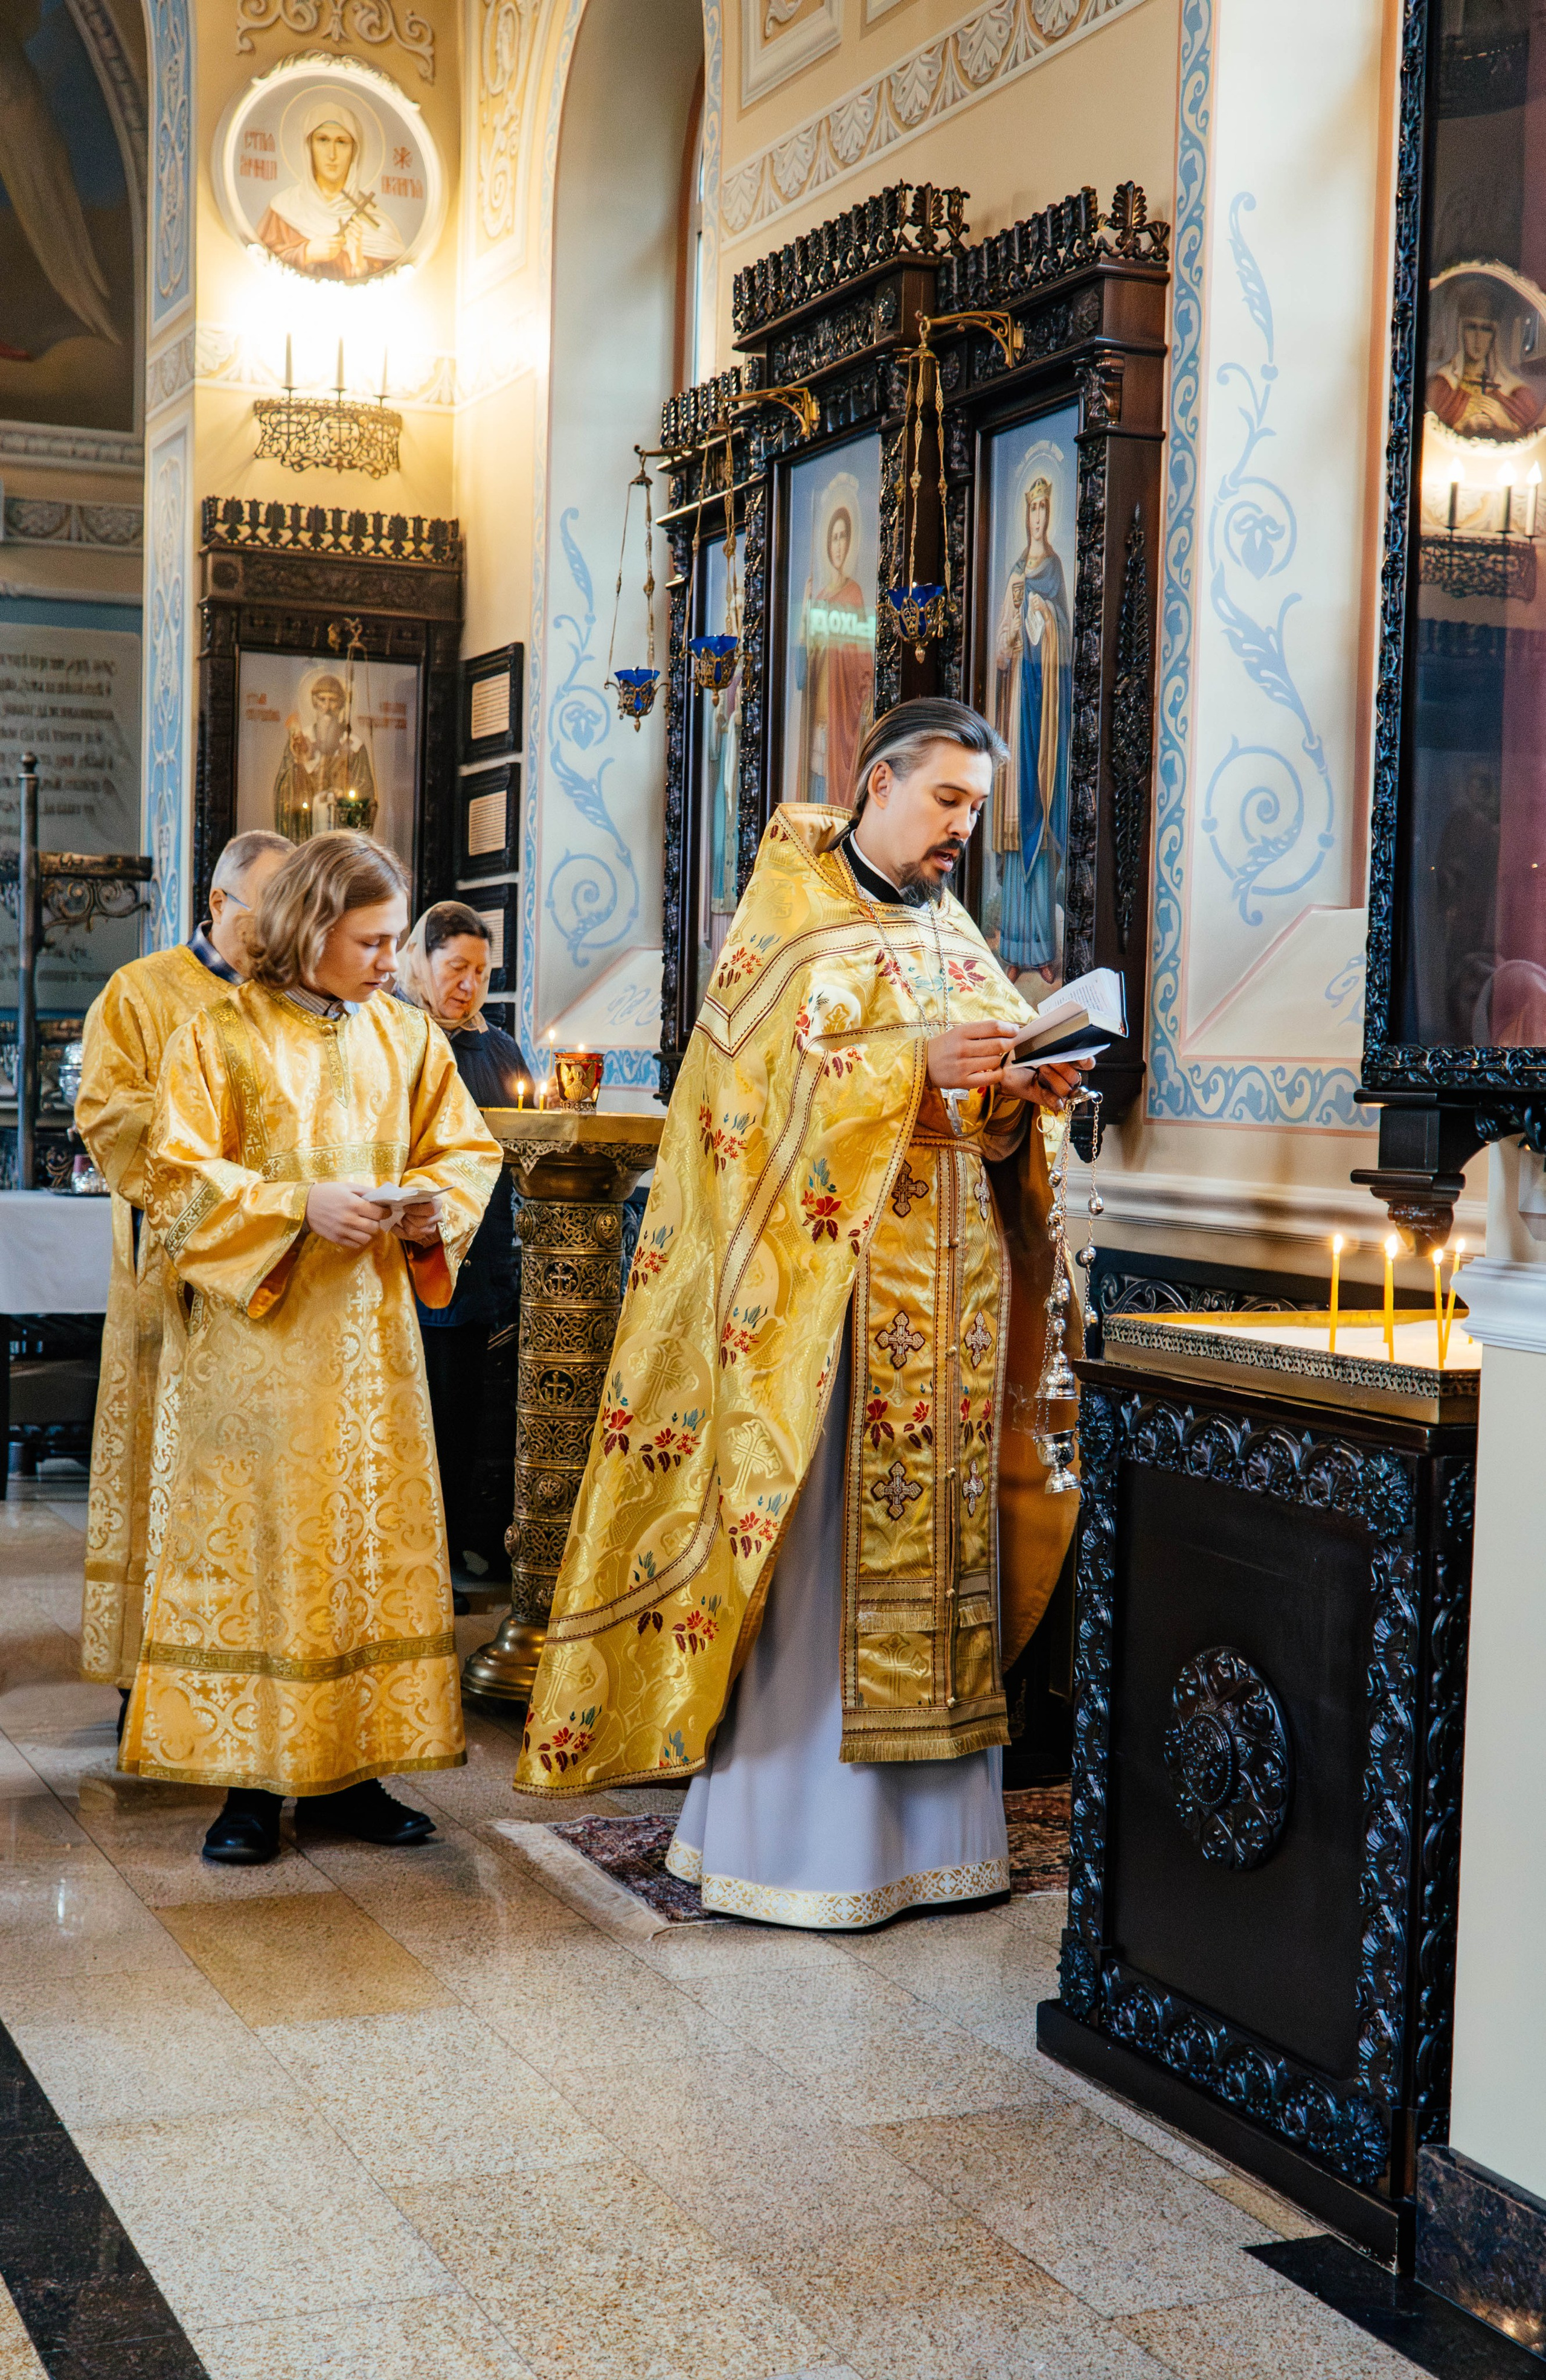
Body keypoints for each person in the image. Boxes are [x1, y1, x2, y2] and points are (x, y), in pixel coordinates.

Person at [515, 699, 1087, 1928]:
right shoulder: (785, 922)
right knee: (817, 1559)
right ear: (877, 782)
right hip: (821, 1314)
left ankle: (941, 1847)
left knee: (945, 1561)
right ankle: (797, 1846)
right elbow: (744, 1107)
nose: (961, 831)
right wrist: (905, 1070)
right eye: (946, 802)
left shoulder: (950, 930)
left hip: (951, 1310)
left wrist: (1016, 1093)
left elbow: (976, 1117)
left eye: (975, 811)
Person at [118, 832, 502, 1865]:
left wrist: (431, 1215)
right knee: (268, 1551)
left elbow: (464, 1148)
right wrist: (297, 1206)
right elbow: (177, 1180)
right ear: (312, 928)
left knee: (364, 1548)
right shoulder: (222, 1033)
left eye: (393, 943)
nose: (391, 961)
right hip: (259, 1348)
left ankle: (354, 1773)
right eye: (372, 942)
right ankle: (250, 1785)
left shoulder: (406, 1037)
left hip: (372, 1347)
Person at [75, 828, 293, 1711]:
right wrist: (216, 1170)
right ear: (218, 903)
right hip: (176, 1278)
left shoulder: (293, 1000)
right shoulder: (142, 991)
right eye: (267, 910)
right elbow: (110, 1113)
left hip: (283, 1269)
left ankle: (257, 1664)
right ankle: (150, 1669)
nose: (279, 929)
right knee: (160, 1472)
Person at [396, 902, 528, 1583]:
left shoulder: (499, 1048)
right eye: (457, 968)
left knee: (473, 1419)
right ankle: (421, 1561)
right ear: (420, 960)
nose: (470, 984)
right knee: (424, 1421)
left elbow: (523, 1148)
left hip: (489, 1264)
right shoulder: (398, 1037)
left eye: (481, 971)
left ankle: (462, 1539)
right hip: (419, 1258)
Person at [992, 475, 1073, 980]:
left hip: (1044, 722)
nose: (1039, 517)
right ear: (1026, 517)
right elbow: (1002, 649)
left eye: (1045, 509)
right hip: (1019, 707)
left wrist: (1044, 615)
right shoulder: (1017, 573)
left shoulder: (1056, 570)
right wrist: (1012, 635)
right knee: (1015, 822)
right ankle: (1014, 948)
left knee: (1040, 816)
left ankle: (1042, 950)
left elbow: (1067, 636)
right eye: (1033, 510)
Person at [255, 101, 404, 282]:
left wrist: (359, 264)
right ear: (309, 147)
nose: (332, 154)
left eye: (342, 142)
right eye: (323, 140)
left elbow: (392, 289)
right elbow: (255, 267)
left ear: (354, 152)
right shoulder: (282, 209)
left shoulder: (379, 227)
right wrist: (307, 253)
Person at [795, 501, 874, 806]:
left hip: (842, 724)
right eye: (834, 537)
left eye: (844, 537)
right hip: (817, 722)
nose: (839, 545)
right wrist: (805, 610)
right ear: (828, 545)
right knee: (816, 800)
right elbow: (802, 677)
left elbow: (863, 667)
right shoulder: (820, 597)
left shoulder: (853, 595)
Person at [272, 672, 377, 841]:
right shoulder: (300, 741)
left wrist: (343, 797)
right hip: (305, 833)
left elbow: (366, 796)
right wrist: (299, 763)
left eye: (333, 700)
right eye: (322, 700)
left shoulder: (355, 746)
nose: (327, 707)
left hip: (341, 837)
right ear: (314, 702)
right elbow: (283, 791)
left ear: (341, 704)